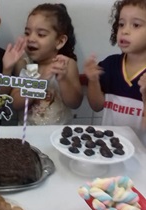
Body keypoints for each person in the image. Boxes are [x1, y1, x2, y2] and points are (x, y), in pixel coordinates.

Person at [11, 3, 82, 125]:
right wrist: (40, 82)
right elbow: (16, 104)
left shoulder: (66, 64)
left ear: (59, 41)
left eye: (41, 34)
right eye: (27, 33)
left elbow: (75, 103)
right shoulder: (25, 65)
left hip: (58, 136)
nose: (31, 39)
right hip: (27, 135)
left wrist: (63, 80)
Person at [84, 0, 146, 136]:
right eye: (121, 24)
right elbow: (97, 106)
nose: (125, 31)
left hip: (141, 153)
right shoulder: (109, 65)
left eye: (136, 25)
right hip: (109, 147)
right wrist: (93, 81)